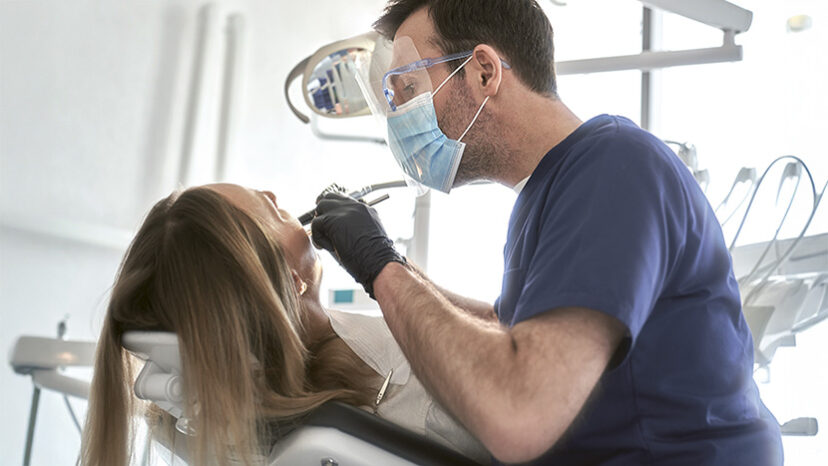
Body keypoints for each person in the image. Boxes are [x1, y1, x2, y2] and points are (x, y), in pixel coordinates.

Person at [309, 0, 784, 464]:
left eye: (407, 88)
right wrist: (388, 260)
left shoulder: (612, 167)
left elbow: (518, 414)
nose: (398, 116)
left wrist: (382, 268)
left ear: (483, 73)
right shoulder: (547, 193)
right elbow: (507, 329)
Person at [80, 183, 489, 466]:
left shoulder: (222, 429)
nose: (278, 196)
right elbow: (519, 350)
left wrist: (388, 273)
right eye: (271, 208)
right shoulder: (418, 389)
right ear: (293, 282)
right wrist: (384, 267)